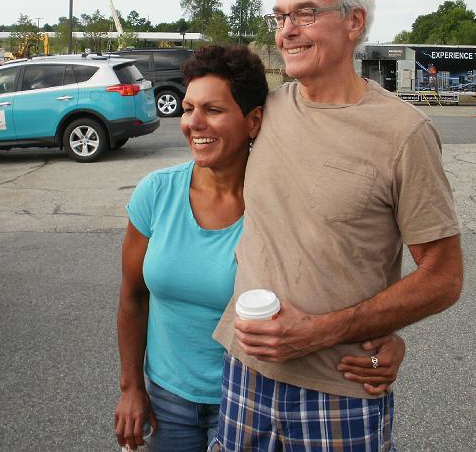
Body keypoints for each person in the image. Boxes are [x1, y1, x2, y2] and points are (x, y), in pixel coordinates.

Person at [211, 0, 464, 451]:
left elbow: (444, 278)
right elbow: (204, 170)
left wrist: (325, 331)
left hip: (340, 388)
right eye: (280, 17)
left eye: (305, 13)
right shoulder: (264, 110)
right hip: (246, 372)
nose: (287, 31)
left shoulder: (403, 133)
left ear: (354, 21)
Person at [114, 45, 406, 452]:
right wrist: (131, 387)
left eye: (213, 110)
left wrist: (382, 344)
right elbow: (132, 296)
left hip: (251, 400)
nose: (193, 123)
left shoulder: (281, 204)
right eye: (187, 108)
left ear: (253, 121)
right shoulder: (156, 193)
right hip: (168, 399)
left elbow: (342, 282)